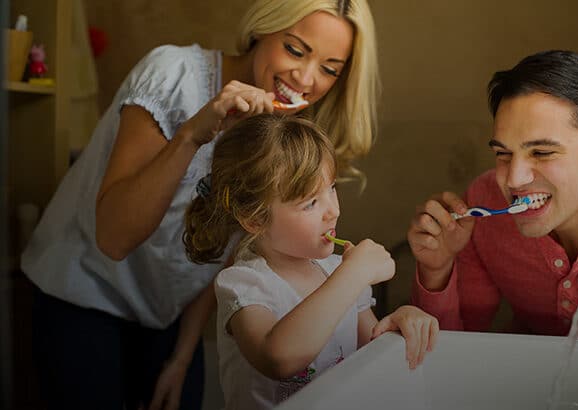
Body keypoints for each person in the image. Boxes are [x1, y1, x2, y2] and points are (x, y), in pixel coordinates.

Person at [21, 1, 380, 409]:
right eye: (295, 50)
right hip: (82, 293)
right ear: (263, 29)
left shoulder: (280, 132)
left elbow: (219, 248)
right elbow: (114, 239)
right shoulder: (173, 74)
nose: (306, 78)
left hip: (168, 317)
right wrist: (192, 134)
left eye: (330, 68)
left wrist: (182, 355)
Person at [408, 50, 578, 342]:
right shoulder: (484, 201)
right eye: (503, 154)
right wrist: (437, 269)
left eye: (542, 153)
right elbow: (451, 353)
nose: (513, 180)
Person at [183, 113, 438, 410]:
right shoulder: (244, 284)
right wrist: (354, 274)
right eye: (310, 203)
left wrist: (400, 320)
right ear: (254, 219)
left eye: (331, 188)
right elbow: (278, 357)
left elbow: (371, 355)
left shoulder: (337, 273)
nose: (333, 211)